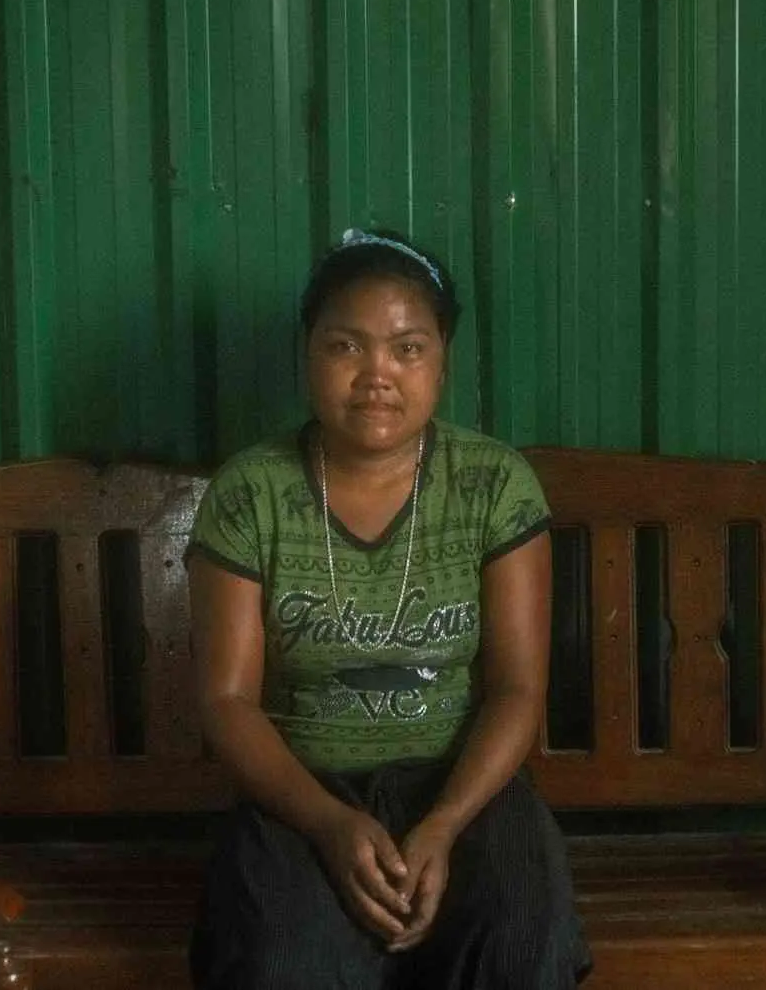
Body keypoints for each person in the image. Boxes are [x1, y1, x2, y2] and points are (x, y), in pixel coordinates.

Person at [186, 228, 591, 989]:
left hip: (464, 787)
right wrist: (331, 824)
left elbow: (517, 689)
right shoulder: (251, 493)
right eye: (347, 347)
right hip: (303, 790)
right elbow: (227, 700)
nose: (377, 375)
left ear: (442, 362)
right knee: (290, 964)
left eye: (407, 349)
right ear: (308, 353)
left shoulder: (493, 486)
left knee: (519, 944)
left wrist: (442, 823)